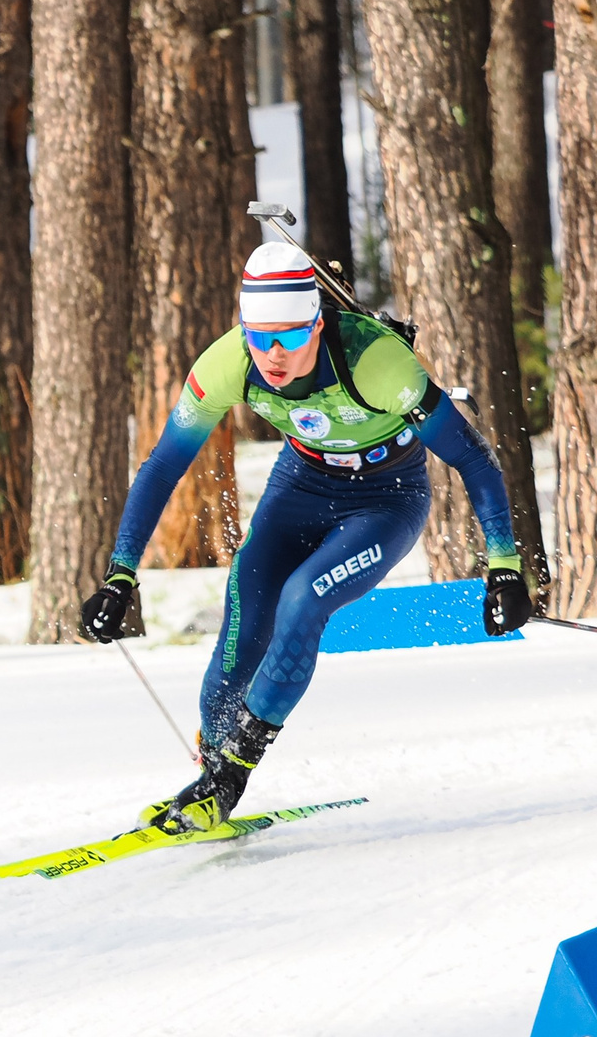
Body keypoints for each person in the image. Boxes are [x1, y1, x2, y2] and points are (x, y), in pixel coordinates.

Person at [80, 242, 533, 834]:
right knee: (244, 608)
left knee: (303, 598)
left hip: (386, 497)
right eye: (258, 334)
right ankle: (211, 771)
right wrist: (120, 574)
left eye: (291, 337)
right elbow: (163, 466)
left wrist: (504, 564)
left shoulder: (376, 362)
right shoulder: (226, 363)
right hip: (301, 481)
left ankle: (228, 779)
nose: (272, 352)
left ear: (318, 324)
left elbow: (474, 460)